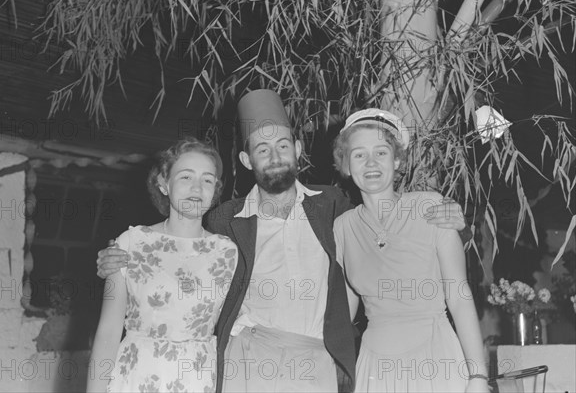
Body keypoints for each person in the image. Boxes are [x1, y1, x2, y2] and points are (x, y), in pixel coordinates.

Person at [97, 89, 469, 393]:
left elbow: (383, 228)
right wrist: (118, 261)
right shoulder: (225, 218)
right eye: (262, 149)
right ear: (246, 159)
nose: (274, 157)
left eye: (282, 146)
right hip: (250, 359)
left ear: (298, 148)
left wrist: (452, 218)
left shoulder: (335, 206)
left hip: (316, 360)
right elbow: (184, 251)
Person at [332, 109, 488, 392]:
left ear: (398, 159)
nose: (370, 163)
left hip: (435, 357)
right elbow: (342, 315)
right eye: (358, 155)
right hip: (374, 369)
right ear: (345, 165)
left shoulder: (430, 207)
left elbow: (459, 296)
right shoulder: (343, 228)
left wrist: (478, 376)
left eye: (381, 152)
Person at [87, 138, 238, 392]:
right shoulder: (131, 242)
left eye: (207, 180)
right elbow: (108, 332)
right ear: (164, 184)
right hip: (136, 376)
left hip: (197, 379)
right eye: (186, 177)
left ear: (215, 191)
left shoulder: (228, 253)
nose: (197, 188)